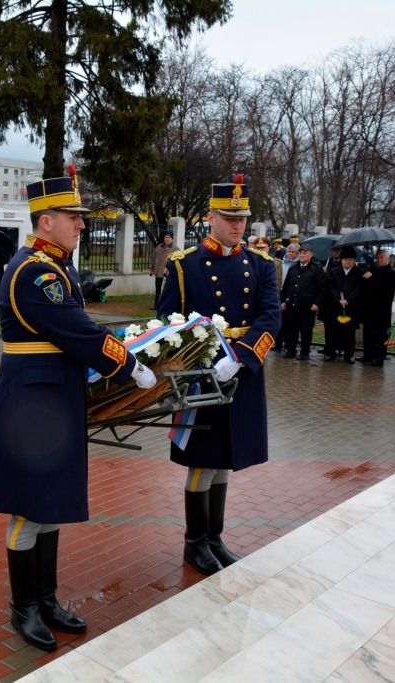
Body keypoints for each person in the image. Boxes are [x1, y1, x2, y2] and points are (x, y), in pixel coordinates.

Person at [0, 167, 156, 652]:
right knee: (28, 506)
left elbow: (76, 327)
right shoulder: (35, 271)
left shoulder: (56, 265)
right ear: (46, 220)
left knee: (49, 500)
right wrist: (131, 365)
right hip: (32, 404)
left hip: (50, 398)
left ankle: (46, 599)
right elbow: (78, 331)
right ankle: (24, 607)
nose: (81, 223)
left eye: (80, 216)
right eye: (72, 216)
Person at [157, 174, 281, 576]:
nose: (237, 225)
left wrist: (241, 358)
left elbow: (270, 318)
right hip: (203, 373)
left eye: (242, 218)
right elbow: (168, 322)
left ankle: (214, 539)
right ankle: (195, 543)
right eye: (229, 218)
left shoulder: (261, 264)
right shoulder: (185, 264)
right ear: (210, 217)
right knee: (202, 459)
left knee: (225, 457)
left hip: (241, 371)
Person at [280, 242, 325, 360]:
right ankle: (290, 350)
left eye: (305, 253)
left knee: (306, 330)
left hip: (307, 306)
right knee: (291, 329)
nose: (302, 255)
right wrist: (283, 300)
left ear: (311, 255)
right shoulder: (293, 268)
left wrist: (316, 303)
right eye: (300, 253)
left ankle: (305, 352)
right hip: (292, 303)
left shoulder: (316, 269)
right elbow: (286, 286)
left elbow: (322, 288)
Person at [323, 245, 364, 363]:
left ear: (354, 260)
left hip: (351, 307)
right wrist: (338, 299)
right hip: (335, 306)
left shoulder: (359, 273)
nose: (348, 262)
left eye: (350, 259)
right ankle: (331, 353)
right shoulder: (334, 271)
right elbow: (330, 287)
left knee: (349, 332)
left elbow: (359, 289)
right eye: (345, 259)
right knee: (332, 331)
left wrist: (348, 300)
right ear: (341, 260)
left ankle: (348, 354)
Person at [358, 249, 395, 366]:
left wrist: (371, 278)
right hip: (369, 308)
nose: (379, 260)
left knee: (379, 335)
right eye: (378, 258)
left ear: (387, 259)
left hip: (381, 309)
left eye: (381, 258)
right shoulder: (374, 269)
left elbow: (383, 288)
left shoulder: (391, 273)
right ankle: (367, 355)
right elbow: (365, 285)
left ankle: (378, 358)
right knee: (368, 333)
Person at [149, 230, 178, 309]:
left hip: (168, 274)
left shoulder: (176, 249)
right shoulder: (159, 247)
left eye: (168, 237)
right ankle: (156, 305)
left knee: (166, 290)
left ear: (172, 238)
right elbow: (154, 259)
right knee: (158, 289)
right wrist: (151, 269)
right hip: (158, 272)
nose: (167, 239)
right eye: (165, 237)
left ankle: (165, 305)